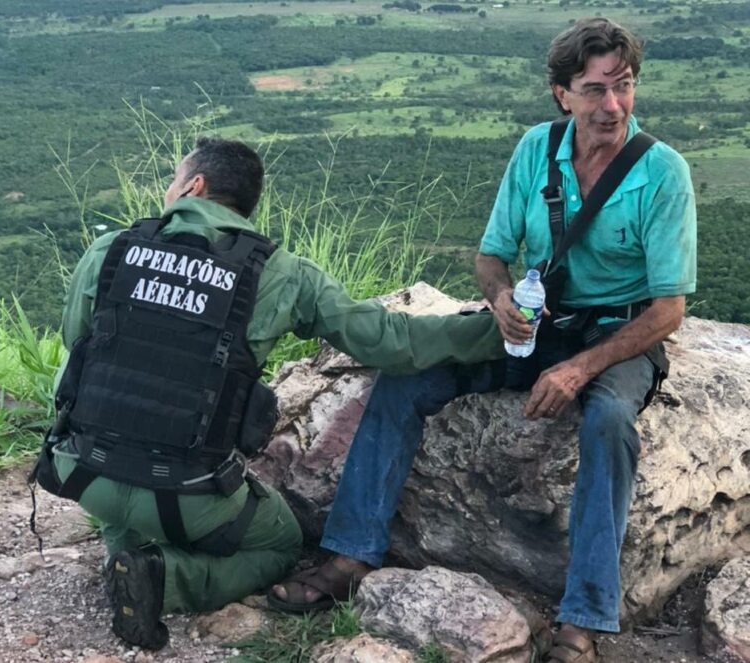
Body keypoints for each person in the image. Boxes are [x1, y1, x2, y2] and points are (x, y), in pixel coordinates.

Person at [270, 18, 696, 663]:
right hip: (535, 322)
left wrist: (579, 370)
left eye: (624, 86)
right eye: (594, 89)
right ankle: (350, 555)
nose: (613, 105)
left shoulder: (661, 172)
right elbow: (491, 256)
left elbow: (668, 311)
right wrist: (500, 301)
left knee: (609, 421)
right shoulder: (536, 150)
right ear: (562, 94)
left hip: (617, 332)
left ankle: (584, 617)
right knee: (409, 377)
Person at [34, 136, 509, 651]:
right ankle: (165, 577)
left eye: (174, 180)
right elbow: (391, 341)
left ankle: (121, 550)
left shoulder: (110, 249)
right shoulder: (280, 272)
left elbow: (76, 345)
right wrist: (499, 331)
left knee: (117, 429)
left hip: (83, 473)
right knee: (282, 543)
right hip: (182, 495)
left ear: (194, 186)